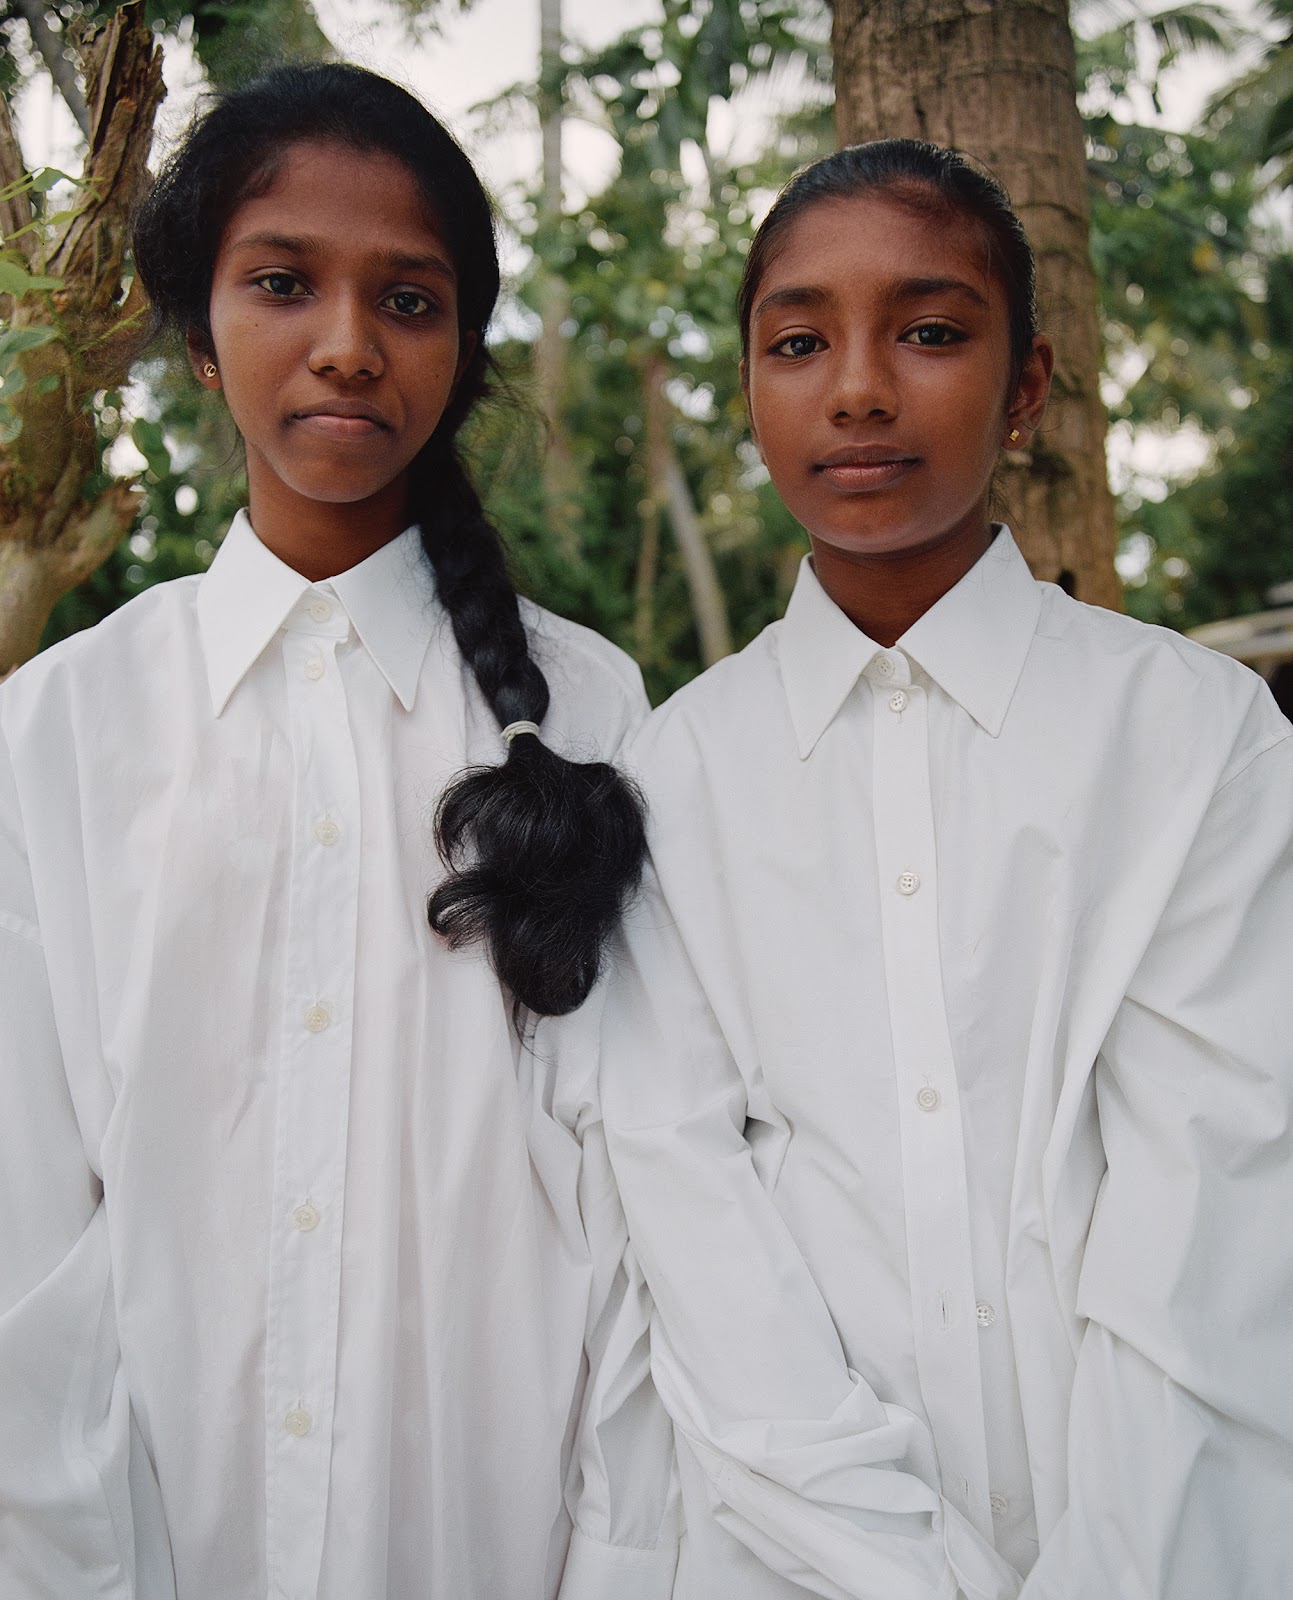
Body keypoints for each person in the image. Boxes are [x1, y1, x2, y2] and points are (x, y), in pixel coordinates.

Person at [0, 63, 678, 1600]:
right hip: (152, 1547)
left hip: (506, 1543)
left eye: (411, 300)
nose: (349, 347)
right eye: (282, 283)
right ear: (194, 333)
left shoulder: (588, 709)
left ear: (465, 344)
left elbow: (646, 1198)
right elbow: (23, 1233)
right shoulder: (57, 733)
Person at [599, 140, 1293, 1598]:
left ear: (1025, 384)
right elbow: (693, 1216)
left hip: (1176, 1544)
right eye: (797, 342)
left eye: (927, 331)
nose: (857, 386)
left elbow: (1215, 1203)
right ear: (749, 390)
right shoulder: (673, 779)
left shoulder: (1192, 738)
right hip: (785, 1558)